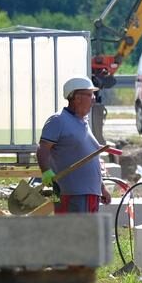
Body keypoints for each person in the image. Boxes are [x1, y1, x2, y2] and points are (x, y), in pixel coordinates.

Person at [36, 77, 111, 214]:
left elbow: (88, 157)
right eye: (90, 95)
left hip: (89, 193)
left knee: (87, 234)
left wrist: (101, 187)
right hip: (70, 194)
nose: (94, 99)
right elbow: (43, 148)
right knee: (73, 233)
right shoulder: (58, 120)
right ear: (77, 97)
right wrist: (46, 172)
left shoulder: (83, 122)